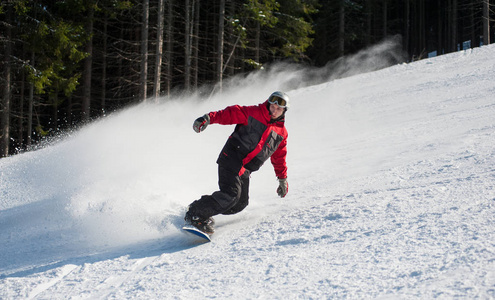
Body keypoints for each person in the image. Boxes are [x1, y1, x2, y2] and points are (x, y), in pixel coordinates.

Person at [184, 91, 290, 234]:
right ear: (268, 104)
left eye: (279, 109)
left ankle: (201, 208)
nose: (274, 111)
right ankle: (195, 214)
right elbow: (230, 113)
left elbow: (279, 157)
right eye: (273, 107)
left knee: (240, 203)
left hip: (245, 169)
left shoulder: (281, 133)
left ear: (284, 111)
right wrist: (208, 118)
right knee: (230, 194)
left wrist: (282, 179)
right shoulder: (253, 112)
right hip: (231, 158)